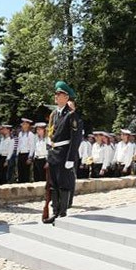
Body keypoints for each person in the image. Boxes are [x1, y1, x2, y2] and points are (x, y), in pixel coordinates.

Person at [44, 81, 82, 222]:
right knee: (53, 184)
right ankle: (55, 211)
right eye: (56, 93)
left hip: (64, 154)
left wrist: (71, 158)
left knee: (63, 184)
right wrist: (49, 150)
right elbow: (51, 134)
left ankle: (63, 212)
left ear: (66, 98)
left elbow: (76, 139)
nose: (56, 95)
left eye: (59, 94)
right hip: (54, 154)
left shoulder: (71, 115)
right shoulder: (54, 114)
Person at [15, 118, 35, 183]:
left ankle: (26, 186)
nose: (23, 126)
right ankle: (20, 184)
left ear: (28, 125)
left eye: (25, 124)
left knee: (26, 172)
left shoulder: (31, 134)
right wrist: (17, 154)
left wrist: (30, 157)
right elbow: (19, 144)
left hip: (26, 154)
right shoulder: (20, 133)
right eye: (23, 124)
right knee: (20, 171)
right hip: (20, 154)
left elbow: (32, 147)